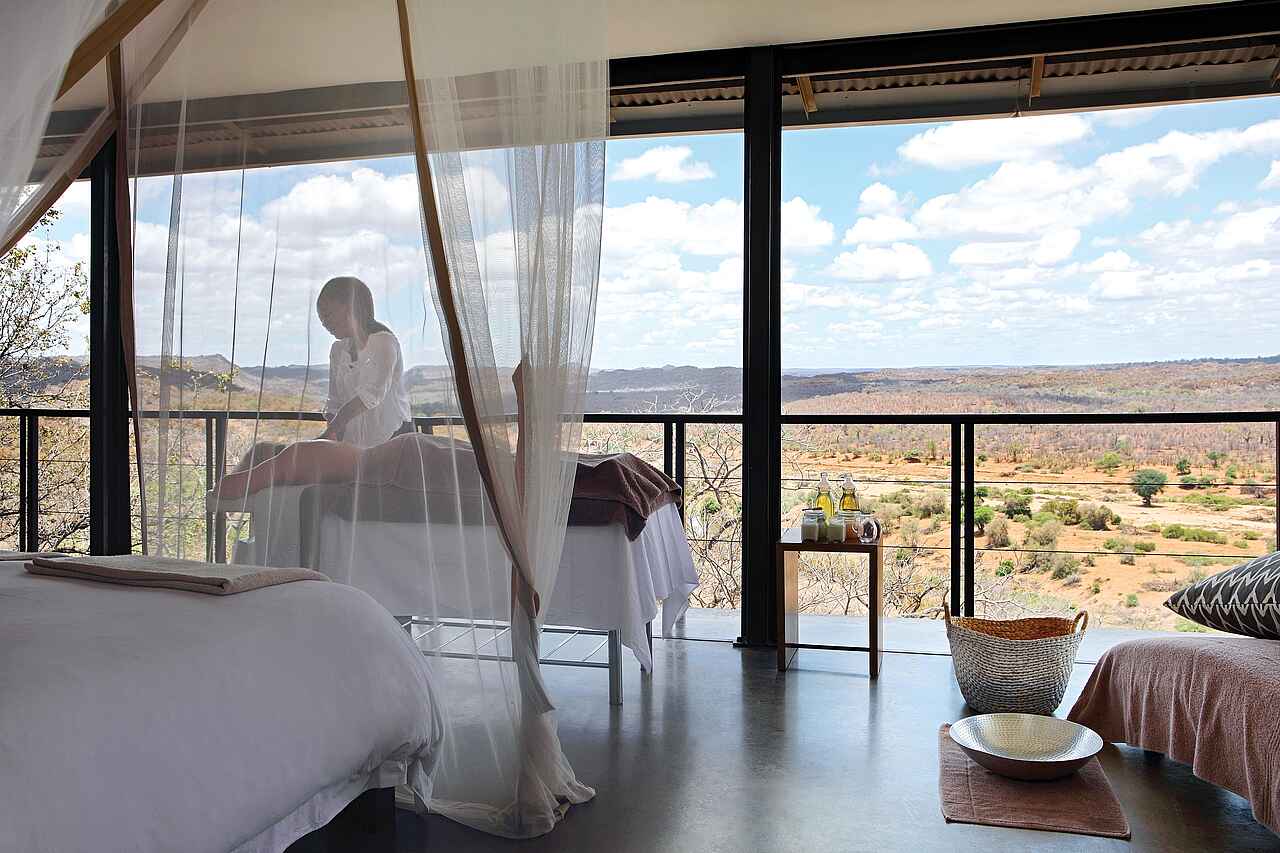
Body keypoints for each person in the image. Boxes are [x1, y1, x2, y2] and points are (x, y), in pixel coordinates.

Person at [316, 275, 413, 447]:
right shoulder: (337, 350)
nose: (324, 323)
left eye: (328, 314)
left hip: (392, 439)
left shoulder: (384, 341)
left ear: (351, 307)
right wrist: (332, 435)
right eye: (321, 318)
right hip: (353, 443)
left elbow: (372, 394)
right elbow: (334, 399)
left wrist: (333, 429)